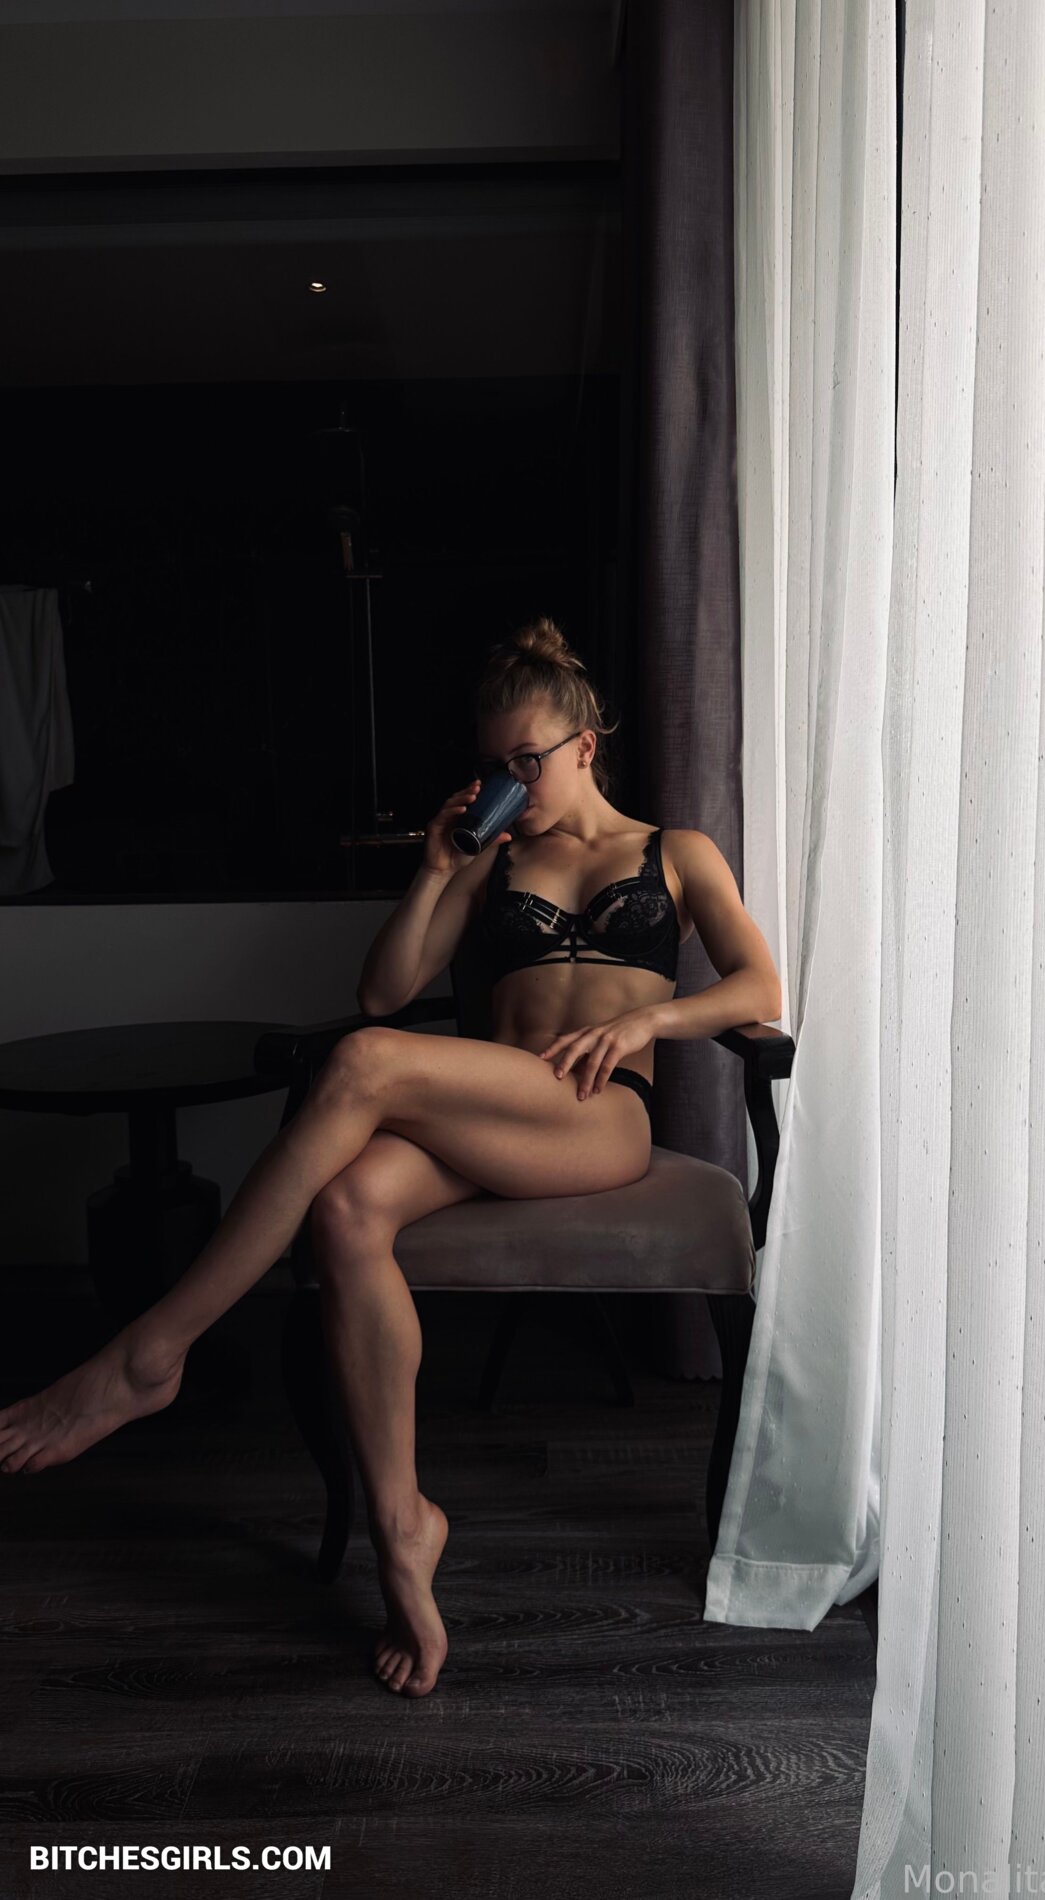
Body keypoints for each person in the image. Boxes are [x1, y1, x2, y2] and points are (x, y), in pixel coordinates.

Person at [0, 616, 781, 1700]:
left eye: (527, 761)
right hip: (488, 1111)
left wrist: (649, 1020)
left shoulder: (674, 852)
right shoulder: (490, 857)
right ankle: (402, 1524)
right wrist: (433, 872)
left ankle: (150, 1352)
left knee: (364, 1065)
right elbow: (383, 988)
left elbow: (759, 988)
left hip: (598, 1117)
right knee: (348, 1206)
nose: (508, 783)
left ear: (584, 745)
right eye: (493, 764)